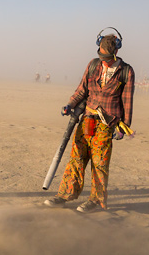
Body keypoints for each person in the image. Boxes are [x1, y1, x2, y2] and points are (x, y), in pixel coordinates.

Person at [44, 28, 134, 212]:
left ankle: (96, 200)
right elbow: (82, 89)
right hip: (87, 119)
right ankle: (65, 194)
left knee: (99, 163)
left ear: (116, 52)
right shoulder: (93, 65)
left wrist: (124, 127)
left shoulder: (126, 71)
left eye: (107, 58)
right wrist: (70, 104)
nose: (104, 61)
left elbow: (127, 101)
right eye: (101, 56)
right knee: (76, 157)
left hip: (107, 123)